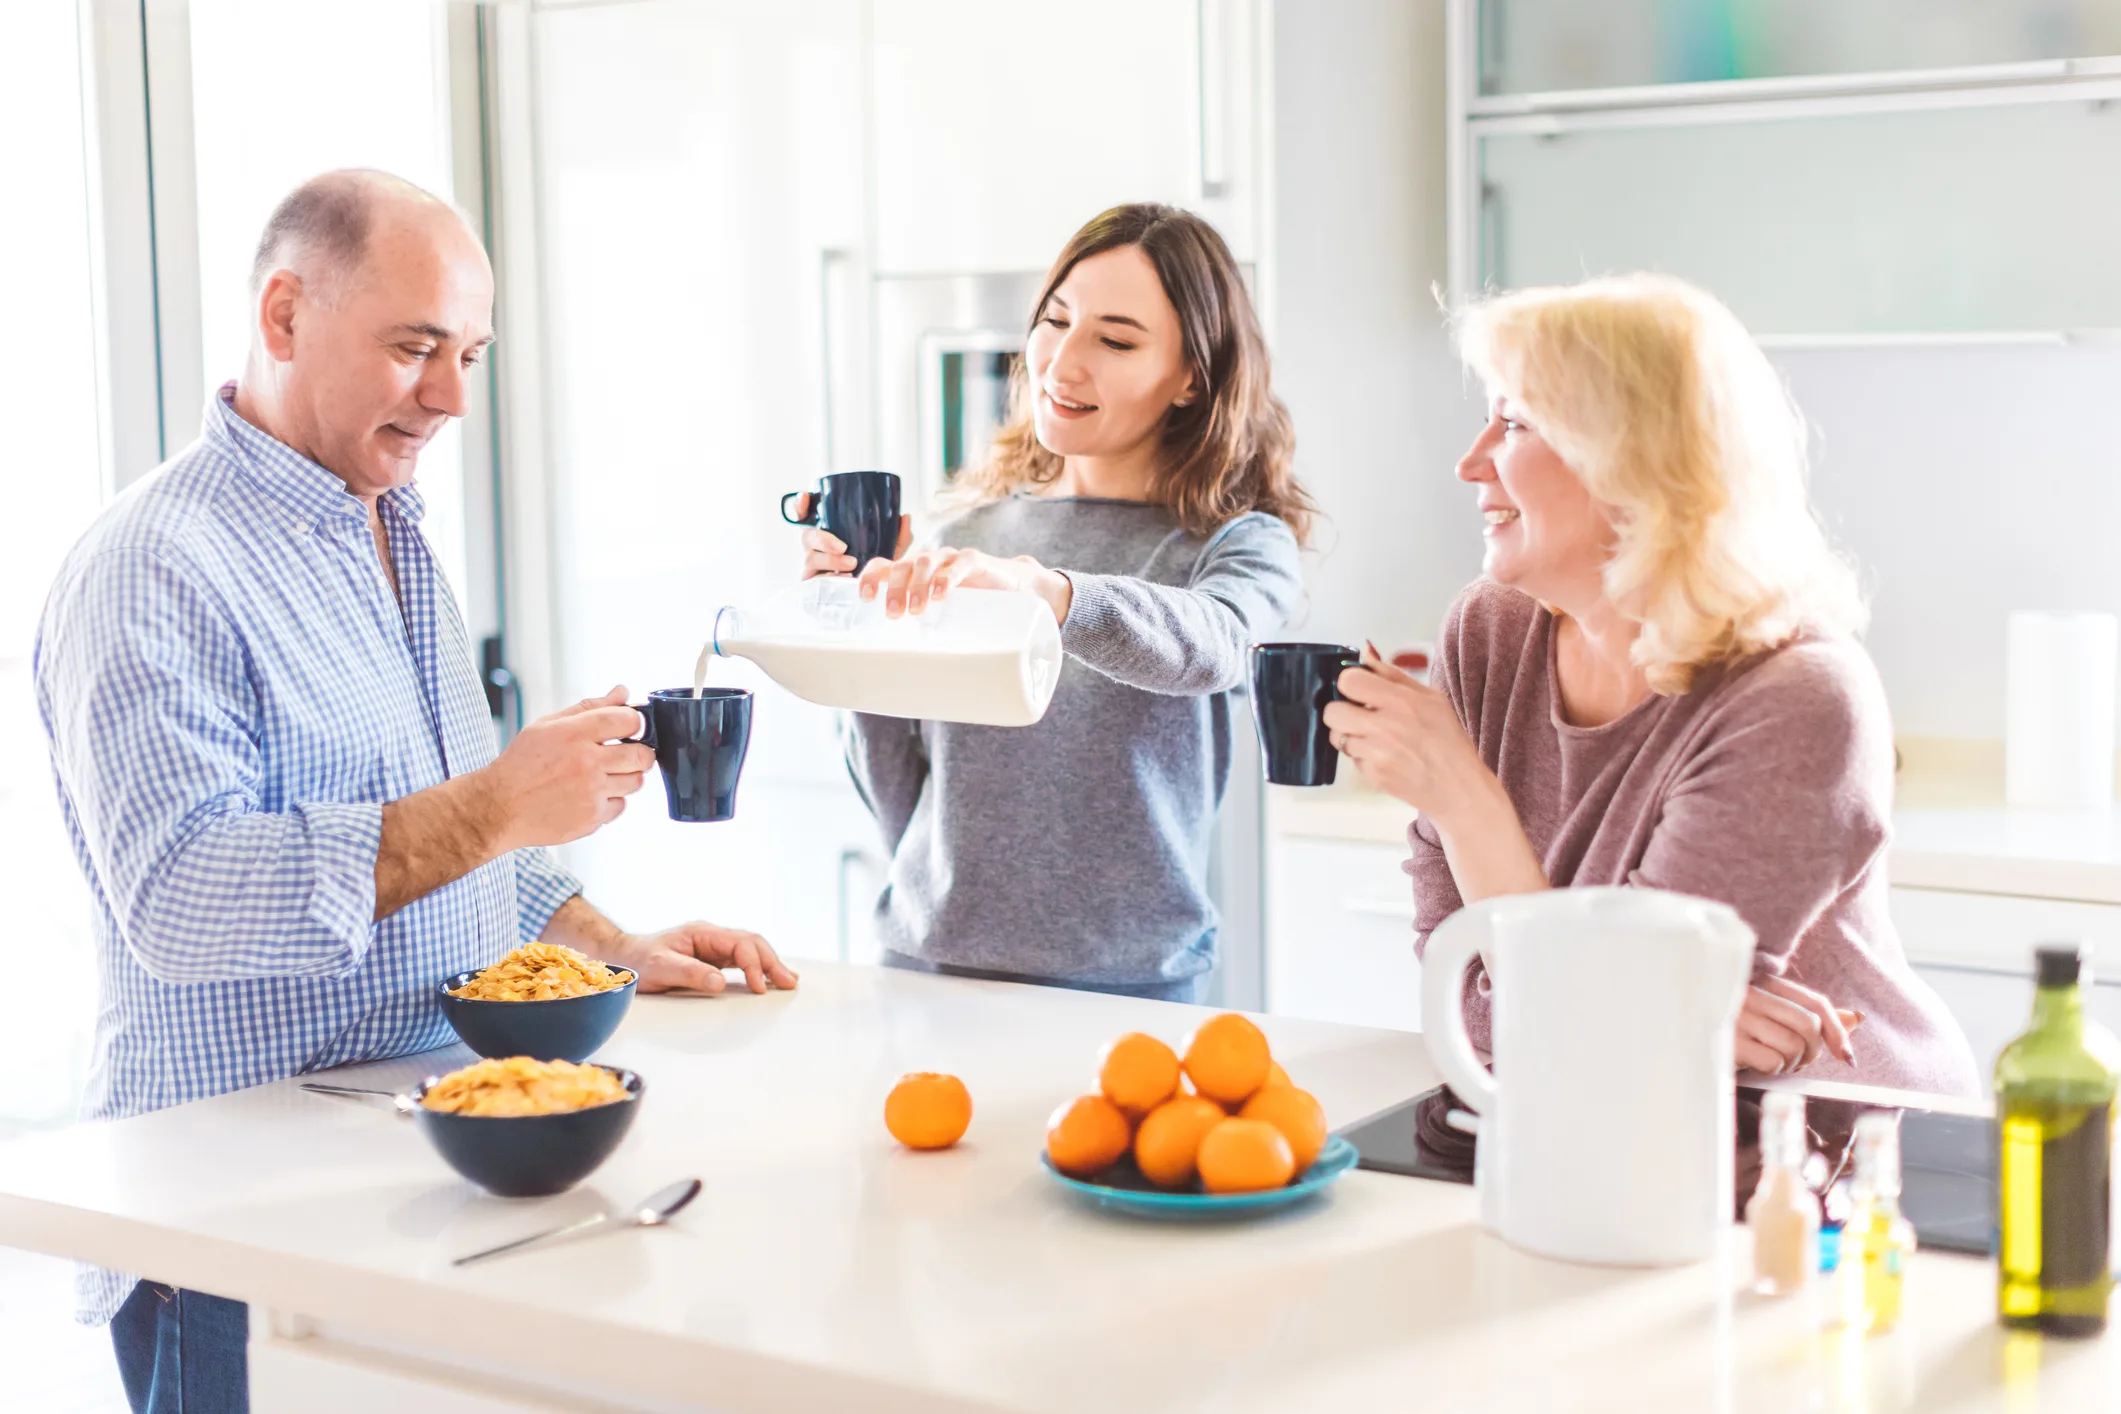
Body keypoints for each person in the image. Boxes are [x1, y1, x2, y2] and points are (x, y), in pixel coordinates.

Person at [35, 169, 797, 1413]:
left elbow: (447, 827)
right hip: (231, 1228)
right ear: (283, 315)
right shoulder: (150, 567)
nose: (449, 395)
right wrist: (503, 798)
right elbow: (181, 900)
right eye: (415, 347)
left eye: (471, 353)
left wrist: (606, 946)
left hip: (415, 1175)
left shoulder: (389, 523)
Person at [1324, 273, 1979, 1097]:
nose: (1469, 462)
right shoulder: (1491, 631)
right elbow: (1465, 996)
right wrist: (1646, 1008)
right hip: (1592, 1127)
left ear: (1636, 460)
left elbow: (1588, 1036)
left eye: (1515, 423)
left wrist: (1463, 799)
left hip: (1834, 1143)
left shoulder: (1797, 697)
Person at [795, 203, 1311, 1001]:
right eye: (1055, 321)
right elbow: (900, 788)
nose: (1061, 364)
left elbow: (1213, 647)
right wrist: (858, 631)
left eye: (1114, 340)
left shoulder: (1232, 547)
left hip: (1130, 987)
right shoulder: (965, 532)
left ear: (1190, 378)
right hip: (927, 973)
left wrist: (1048, 594)